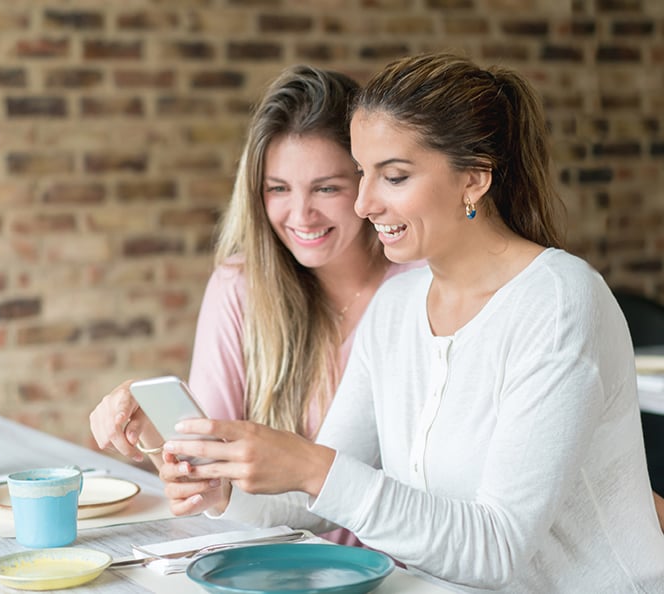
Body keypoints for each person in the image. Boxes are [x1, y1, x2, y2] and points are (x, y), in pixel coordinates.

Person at [156, 53, 664, 591]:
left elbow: (497, 551)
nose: (365, 202)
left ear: (474, 179)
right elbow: (317, 504)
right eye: (361, 174)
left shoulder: (558, 302)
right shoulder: (397, 307)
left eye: (393, 176)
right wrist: (226, 493)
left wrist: (313, 466)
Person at [88, 65, 420, 545]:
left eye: (327, 188)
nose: (301, 215)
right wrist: (157, 432)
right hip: (275, 560)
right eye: (278, 189)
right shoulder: (240, 286)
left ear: (367, 185)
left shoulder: (417, 291)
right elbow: (213, 476)